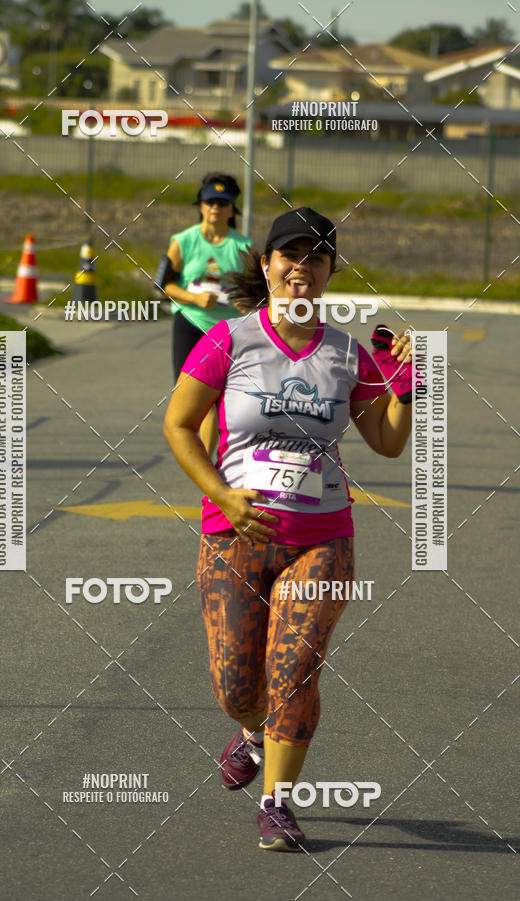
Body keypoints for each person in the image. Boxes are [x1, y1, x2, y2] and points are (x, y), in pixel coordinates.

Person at [162, 207, 414, 852]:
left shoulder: (345, 353)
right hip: (233, 533)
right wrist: (223, 494)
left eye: (317, 258)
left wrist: (406, 388)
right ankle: (250, 733)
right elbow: (179, 426)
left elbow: (386, 442)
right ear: (268, 264)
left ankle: (277, 804)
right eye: (290, 256)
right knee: (236, 686)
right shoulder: (229, 339)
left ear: (330, 271)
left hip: (322, 537)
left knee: (296, 671)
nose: (302, 268)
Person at [155, 173, 251, 454]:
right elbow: (163, 284)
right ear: (200, 205)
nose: (215, 208)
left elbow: (250, 294)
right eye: (210, 202)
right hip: (190, 321)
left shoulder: (242, 246)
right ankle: (194, 452)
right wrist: (194, 298)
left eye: (223, 203)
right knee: (187, 394)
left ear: (232, 209)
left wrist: (249, 314)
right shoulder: (183, 241)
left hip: (224, 328)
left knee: (214, 397)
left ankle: (207, 464)